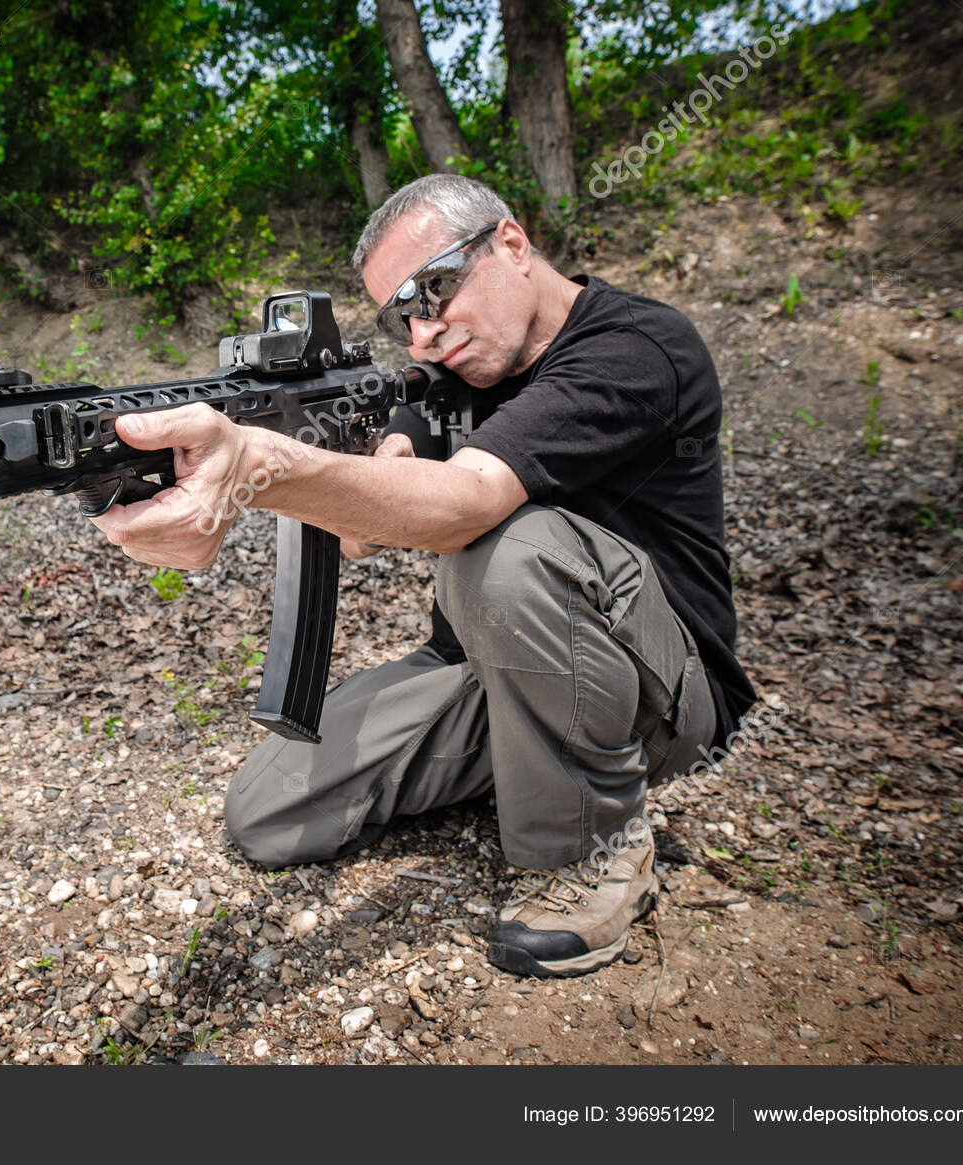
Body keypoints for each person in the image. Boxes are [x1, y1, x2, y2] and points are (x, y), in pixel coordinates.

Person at [88, 173, 756, 978]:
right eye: (398, 313)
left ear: (511, 243)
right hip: (497, 669)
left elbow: (466, 500)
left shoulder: (635, 348)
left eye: (434, 289)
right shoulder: (454, 375)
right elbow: (372, 519)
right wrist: (295, 454)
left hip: (664, 691)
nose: (424, 332)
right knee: (269, 811)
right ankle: (534, 760)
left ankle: (595, 852)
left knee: (507, 548)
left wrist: (262, 464)